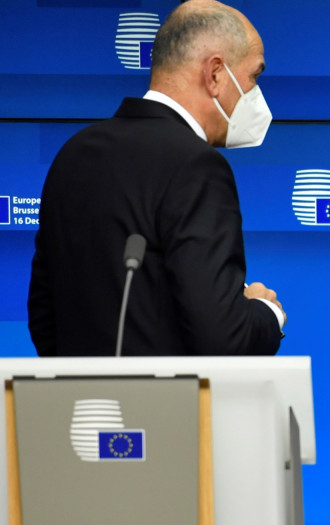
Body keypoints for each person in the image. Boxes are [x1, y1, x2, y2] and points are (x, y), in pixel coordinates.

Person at [28, 0, 285, 356]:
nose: (257, 94)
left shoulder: (74, 153)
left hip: (79, 409)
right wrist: (265, 312)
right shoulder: (197, 166)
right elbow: (222, 339)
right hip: (169, 411)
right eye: (254, 76)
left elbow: (44, 318)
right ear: (214, 74)